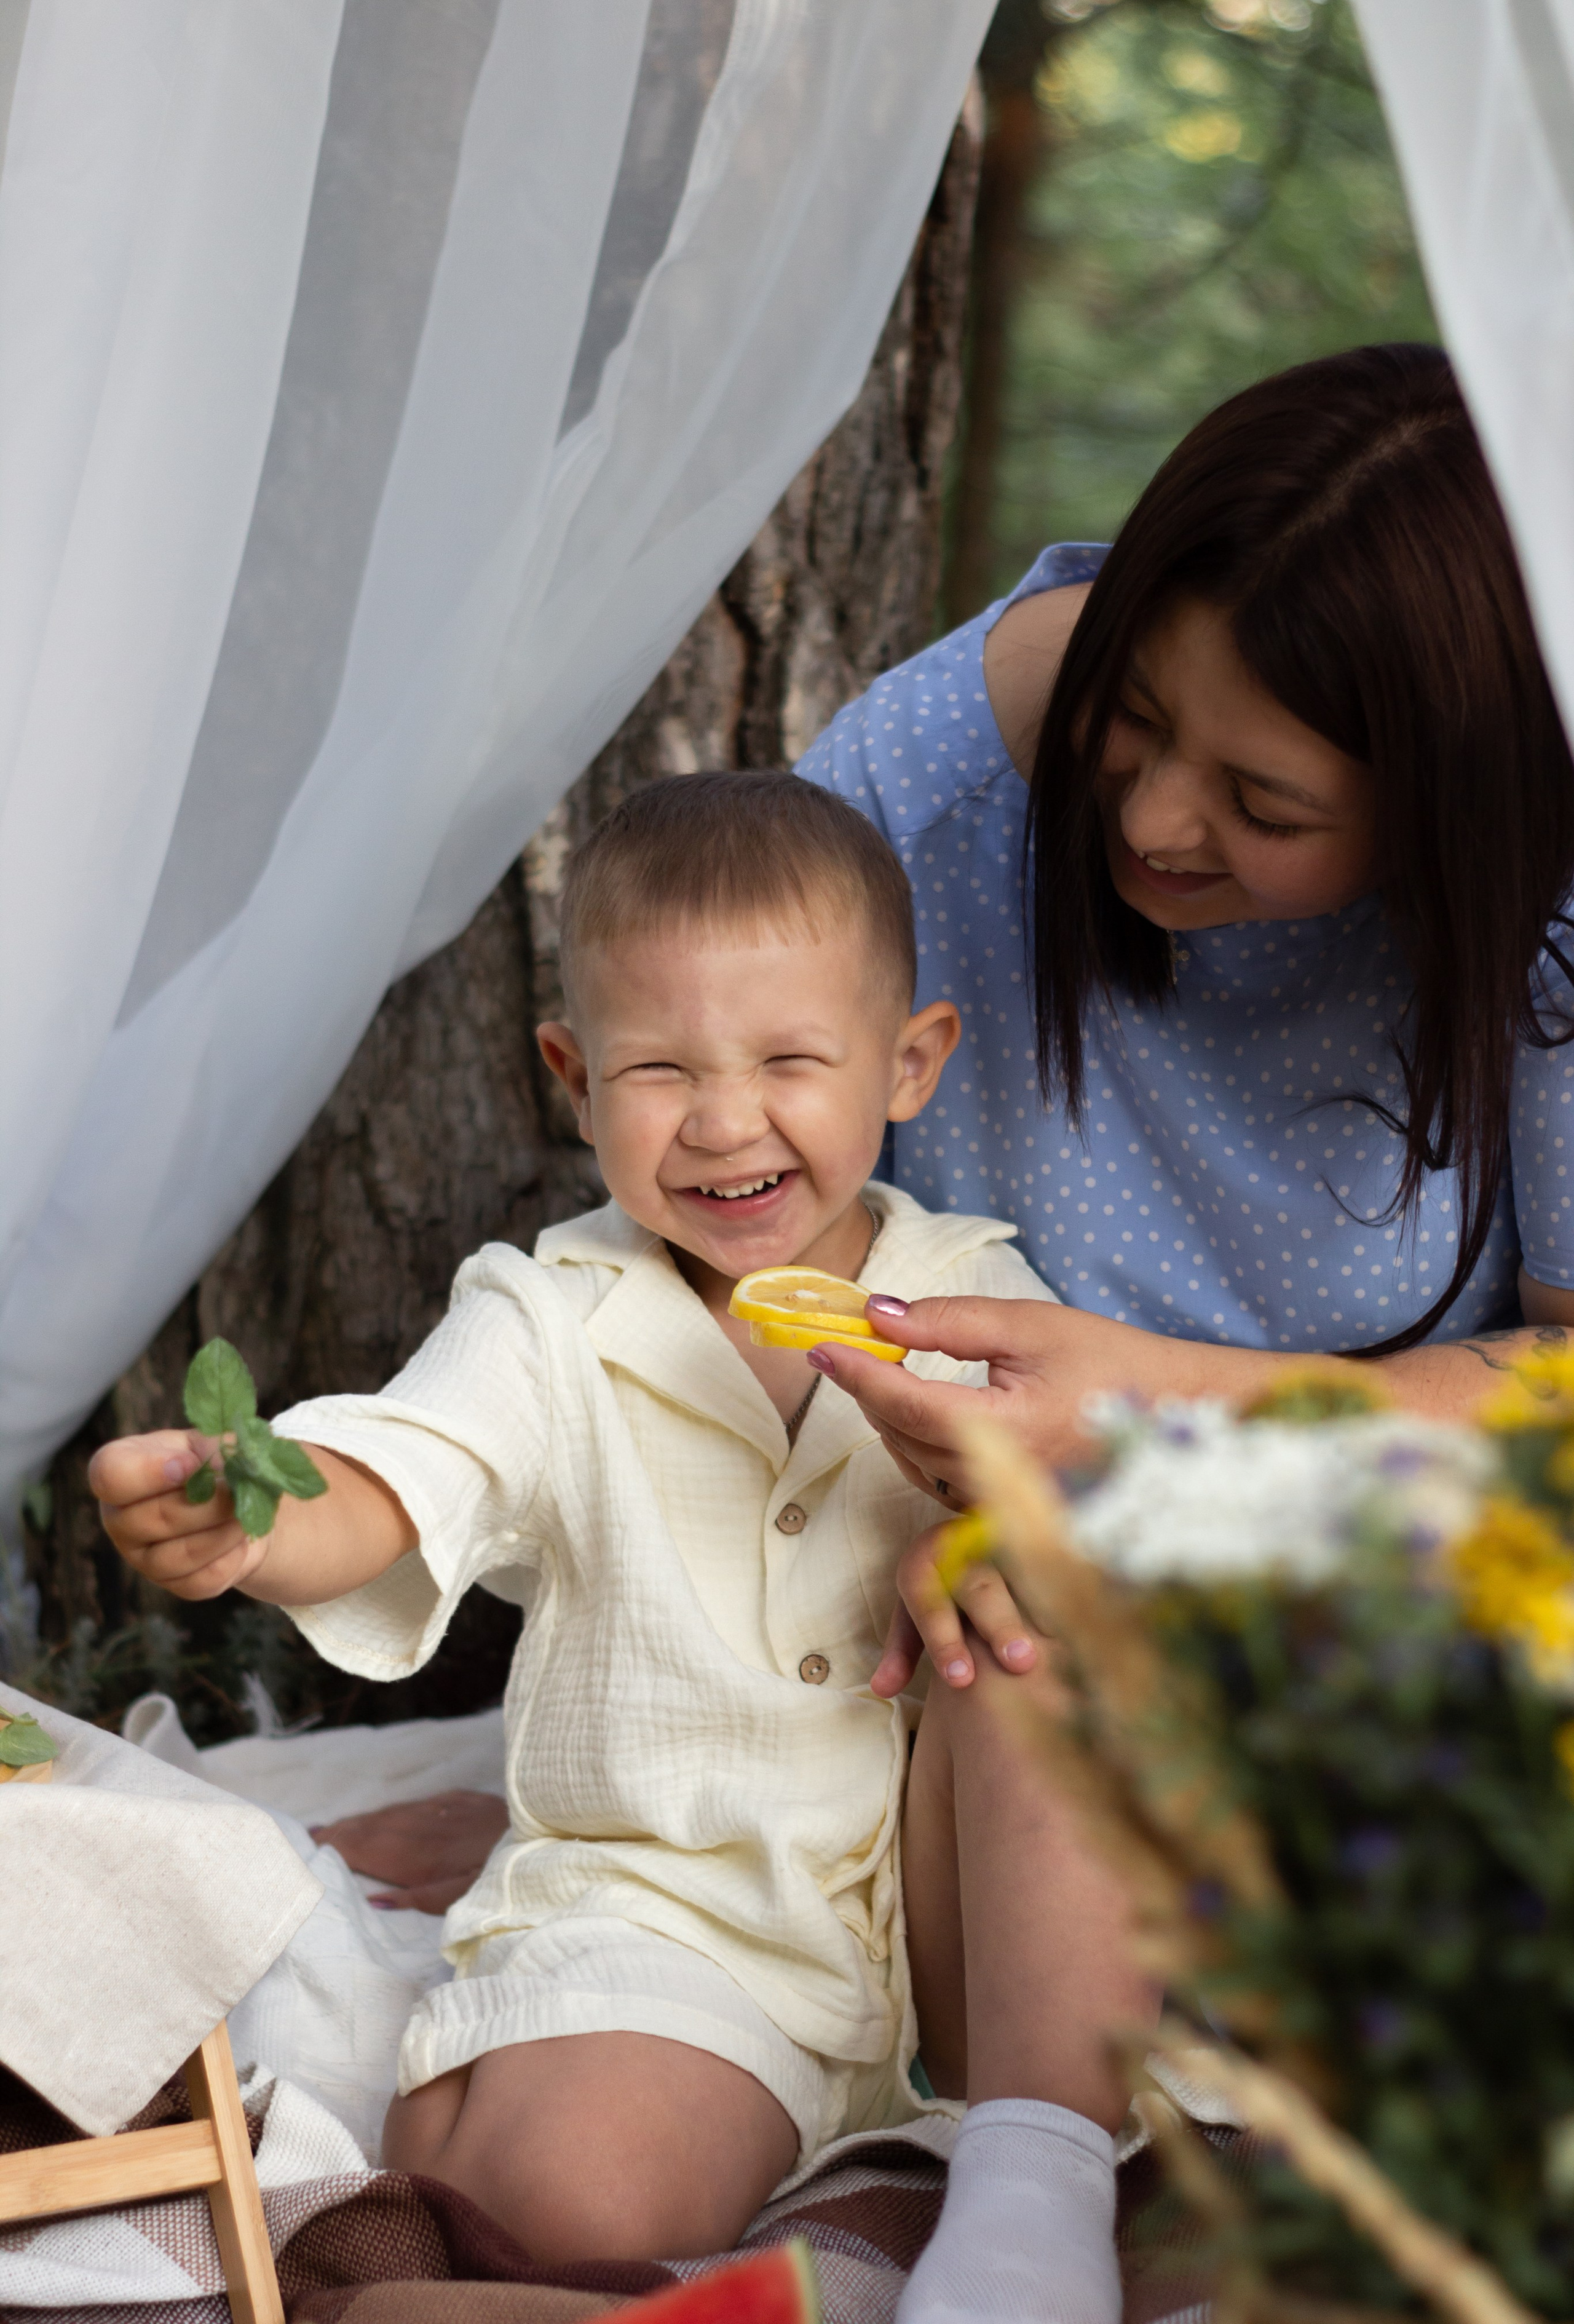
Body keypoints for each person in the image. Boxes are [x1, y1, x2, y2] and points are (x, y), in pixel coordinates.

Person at [93, 774, 1139, 2314]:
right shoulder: (552, 1317)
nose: (724, 1123)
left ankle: (1039, 2189)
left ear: (908, 1064)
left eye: (790, 1060)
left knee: (1048, 1609)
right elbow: (392, 1481)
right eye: (659, 1069)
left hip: (953, 1932)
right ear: (573, 1078)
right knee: (546, 2197)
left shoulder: (969, 1295)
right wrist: (250, 1507)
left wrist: (1007, 1526)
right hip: (688, 1924)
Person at [793, 343, 1574, 1699]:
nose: (1148, 821)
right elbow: (727, 1230)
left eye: (1263, 806)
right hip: (959, 1576)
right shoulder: (916, 787)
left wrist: (1166, 1413)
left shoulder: (1549, 913)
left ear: (1454, 818)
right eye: (1130, 713)